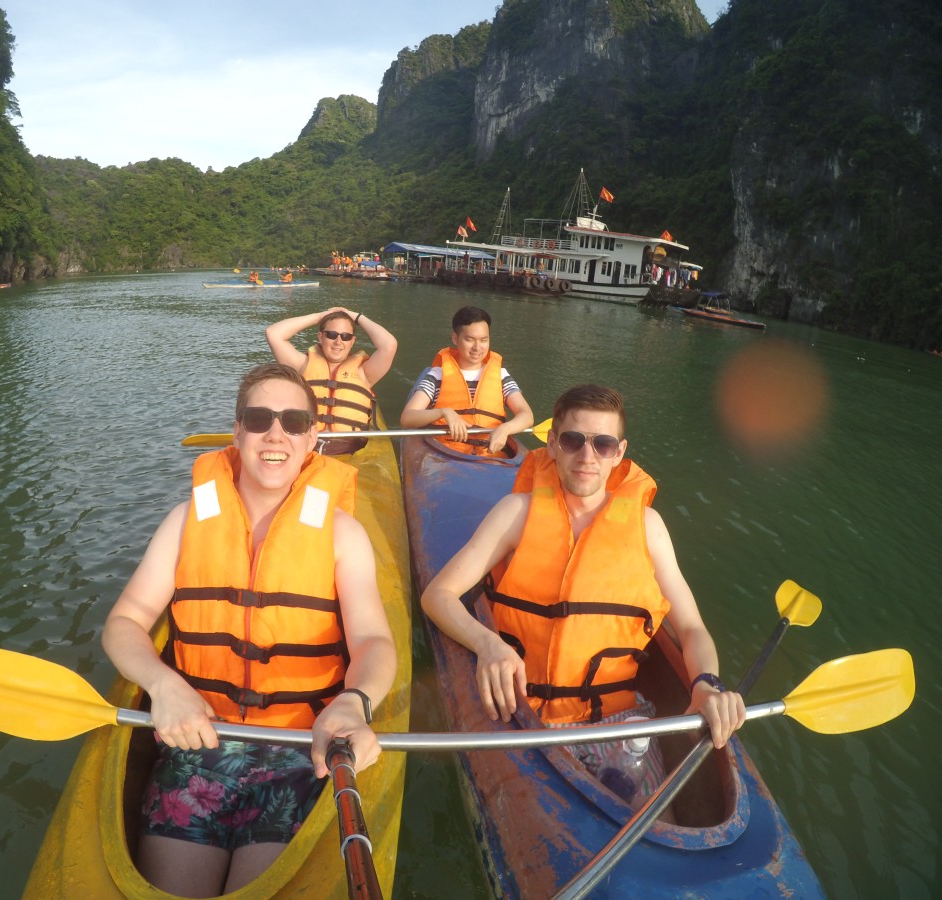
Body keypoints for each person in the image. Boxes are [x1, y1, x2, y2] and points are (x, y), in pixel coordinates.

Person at [102, 362, 396, 897]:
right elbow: (124, 623)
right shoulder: (184, 522)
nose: (275, 434)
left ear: (312, 437)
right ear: (238, 431)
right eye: (260, 419)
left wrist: (356, 701)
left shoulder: (342, 534)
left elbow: (374, 642)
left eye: (293, 421)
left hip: (304, 751)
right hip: (197, 742)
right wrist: (164, 685)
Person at [420, 384, 745, 801]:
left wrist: (706, 684)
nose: (587, 457)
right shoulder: (516, 513)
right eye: (573, 440)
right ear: (553, 444)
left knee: (655, 821)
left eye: (603, 444)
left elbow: (692, 629)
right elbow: (438, 595)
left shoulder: (648, 527)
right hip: (522, 715)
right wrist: (488, 644)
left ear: (619, 453)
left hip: (618, 722)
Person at [400, 305, 534, 456]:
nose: (477, 347)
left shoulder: (501, 376)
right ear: (455, 339)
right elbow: (407, 417)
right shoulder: (437, 376)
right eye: (470, 340)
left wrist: (505, 429)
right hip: (445, 456)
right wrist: (444, 412)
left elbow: (527, 415)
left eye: (483, 340)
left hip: (492, 457)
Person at [266, 307, 398, 455]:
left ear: (352, 341)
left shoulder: (364, 372)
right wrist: (320, 316)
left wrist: (357, 317)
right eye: (331, 335)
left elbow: (389, 345)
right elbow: (274, 334)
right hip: (307, 447)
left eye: (346, 336)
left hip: (351, 450)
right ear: (321, 337)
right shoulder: (302, 365)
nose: (338, 342)